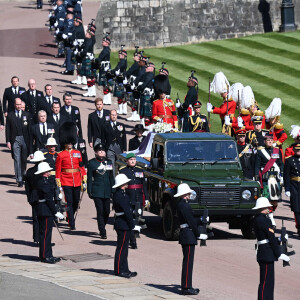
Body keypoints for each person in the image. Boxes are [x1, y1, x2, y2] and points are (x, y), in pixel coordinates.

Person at [252, 197, 290, 300]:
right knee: (266, 283)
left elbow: (267, 238)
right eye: (267, 207)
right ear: (263, 207)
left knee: (267, 282)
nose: (269, 209)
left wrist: (280, 239)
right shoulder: (265, 220)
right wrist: (279, 253)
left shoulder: (257, 219)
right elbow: (271, 239)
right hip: (267, 253)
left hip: (263, 251)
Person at [175, 183, 207, 295]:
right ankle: (186, 287)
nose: (189, 195)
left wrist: (201, 218)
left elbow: (192, 218)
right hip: (188, 235)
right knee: (188, 263)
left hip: (186, 234)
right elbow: (191, 222)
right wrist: (199, 234)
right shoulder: (185, 205)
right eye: (188, 193)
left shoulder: (182, 204)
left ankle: (187, 286)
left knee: (187, 262)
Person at [55, 122, 86, 230]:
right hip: (66, 180)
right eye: (67, 143)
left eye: (70, 142)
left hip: (77, 179)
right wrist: (58, 183)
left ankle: (70, 216)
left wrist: (84, 179)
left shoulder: (77, 152)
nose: (69, 144)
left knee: (76, 201)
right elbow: (58, 169)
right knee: (70, 201)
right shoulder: (61, 155)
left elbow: (81, 166)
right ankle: (71, 223)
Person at [35, 162, 64, 263]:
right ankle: (45, 256)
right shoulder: (44, 183)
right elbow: (49, 199)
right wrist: (55, 212)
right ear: (45, 172)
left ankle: (47, 254)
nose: (50, 172)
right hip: (45, 210)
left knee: (46, 234)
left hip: (44, 209)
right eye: (48, 171)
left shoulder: (44, 181)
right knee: (46, 234)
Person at [119, 153, 149, 249]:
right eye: (130, 159)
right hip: (129, 198)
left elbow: (144, 185)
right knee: (131, 219)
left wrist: (147, 198)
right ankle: (132, 241)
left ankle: (135, 237)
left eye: (134, 159)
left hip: (138, 198)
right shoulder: (123, 171)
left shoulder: (140, 171)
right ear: (127, 161)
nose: (132, 161)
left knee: (138, 219)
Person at [112, 174, 140, 278]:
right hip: (123, 224)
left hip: (123, 223)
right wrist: (133, 225)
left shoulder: (121, 194)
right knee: (122, 248)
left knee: (124, 248)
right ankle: (119, 270)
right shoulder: (121, 195)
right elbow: (127, 212)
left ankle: (125, 269)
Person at [254, 133, 283, 228]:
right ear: (265, 141)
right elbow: (257, 165)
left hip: (275, 177)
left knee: (275, 200)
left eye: (271, 140)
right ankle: (271, 218)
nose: (270, 142)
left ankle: (270, 213)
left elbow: (281, 164)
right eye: (268, 140)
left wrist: (282, 175)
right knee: (267, 199)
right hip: (266, 177)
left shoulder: (277, 151)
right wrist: (257, 178)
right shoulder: (260, 151)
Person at [87, 144, 114, 239]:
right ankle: (102, 231)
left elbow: (111, 177)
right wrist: (89, 190)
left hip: (107, 190)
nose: (102, 152)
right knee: (100, 210)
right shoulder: (92, 163)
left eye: (103, 150)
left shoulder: (109, 162)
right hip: (97, 190)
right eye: (100, 150)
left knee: (107, 211)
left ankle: (103, 225)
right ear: (95, 152)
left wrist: (113, 189)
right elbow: (89, 178)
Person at [6, 98, 33, 187]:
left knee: (24, 159)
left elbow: (29, 130)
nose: (18, 106)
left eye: (20, 104)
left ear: (22, 105)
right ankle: (19, 179)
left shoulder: (27, 115)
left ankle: (23, 175)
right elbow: (8, 129)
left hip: (24, 139)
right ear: (14, 105)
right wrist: (8, 141)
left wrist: (31, 141)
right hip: (15, 140)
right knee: (17, 159)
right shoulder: (10, 115)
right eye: (17, 104)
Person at [24, 151, 46, 245]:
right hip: (43, 196)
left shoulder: (29, 171)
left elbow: (27, 186)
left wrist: (29, 197)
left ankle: (36, 238)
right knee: (44, 218)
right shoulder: (44, 171)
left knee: (36, 218)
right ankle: (43, 239)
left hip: (33, 196)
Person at [284, 143, 300, 236]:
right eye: (297, 150)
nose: (298, 151)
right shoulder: (290, 160)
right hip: (294, 186)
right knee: (296, 208)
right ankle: (299, 227)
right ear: (293, 150)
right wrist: (287, 189)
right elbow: (287, 176)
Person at [61, 11, 75, 75]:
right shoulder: (67, 21)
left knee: (69, 54)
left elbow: (70, 30)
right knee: (70, 55)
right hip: (68, 39)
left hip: (70, 40)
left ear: (70, 15)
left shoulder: (71, 22)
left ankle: (69, 69)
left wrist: (67, 35)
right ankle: (70, 69)